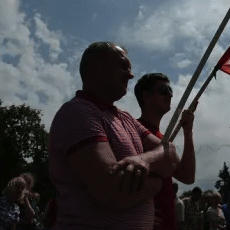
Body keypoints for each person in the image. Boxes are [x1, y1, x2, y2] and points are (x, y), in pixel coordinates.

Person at [48, 42, 182, 229]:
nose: (131, 74)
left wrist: (143, 161)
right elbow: (113, 193)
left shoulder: (126, 118)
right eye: (123, 66)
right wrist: (158, 182)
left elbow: (171, 154)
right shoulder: (78, 113)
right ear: (96, 66)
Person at [134, 73, 196, 230]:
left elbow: (187, 176)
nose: (169, 94)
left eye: (170, 89)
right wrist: (134, 212)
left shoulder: (163, 139)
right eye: (163, 89)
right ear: (145, 95)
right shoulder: (132, 130)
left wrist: (187, 132)